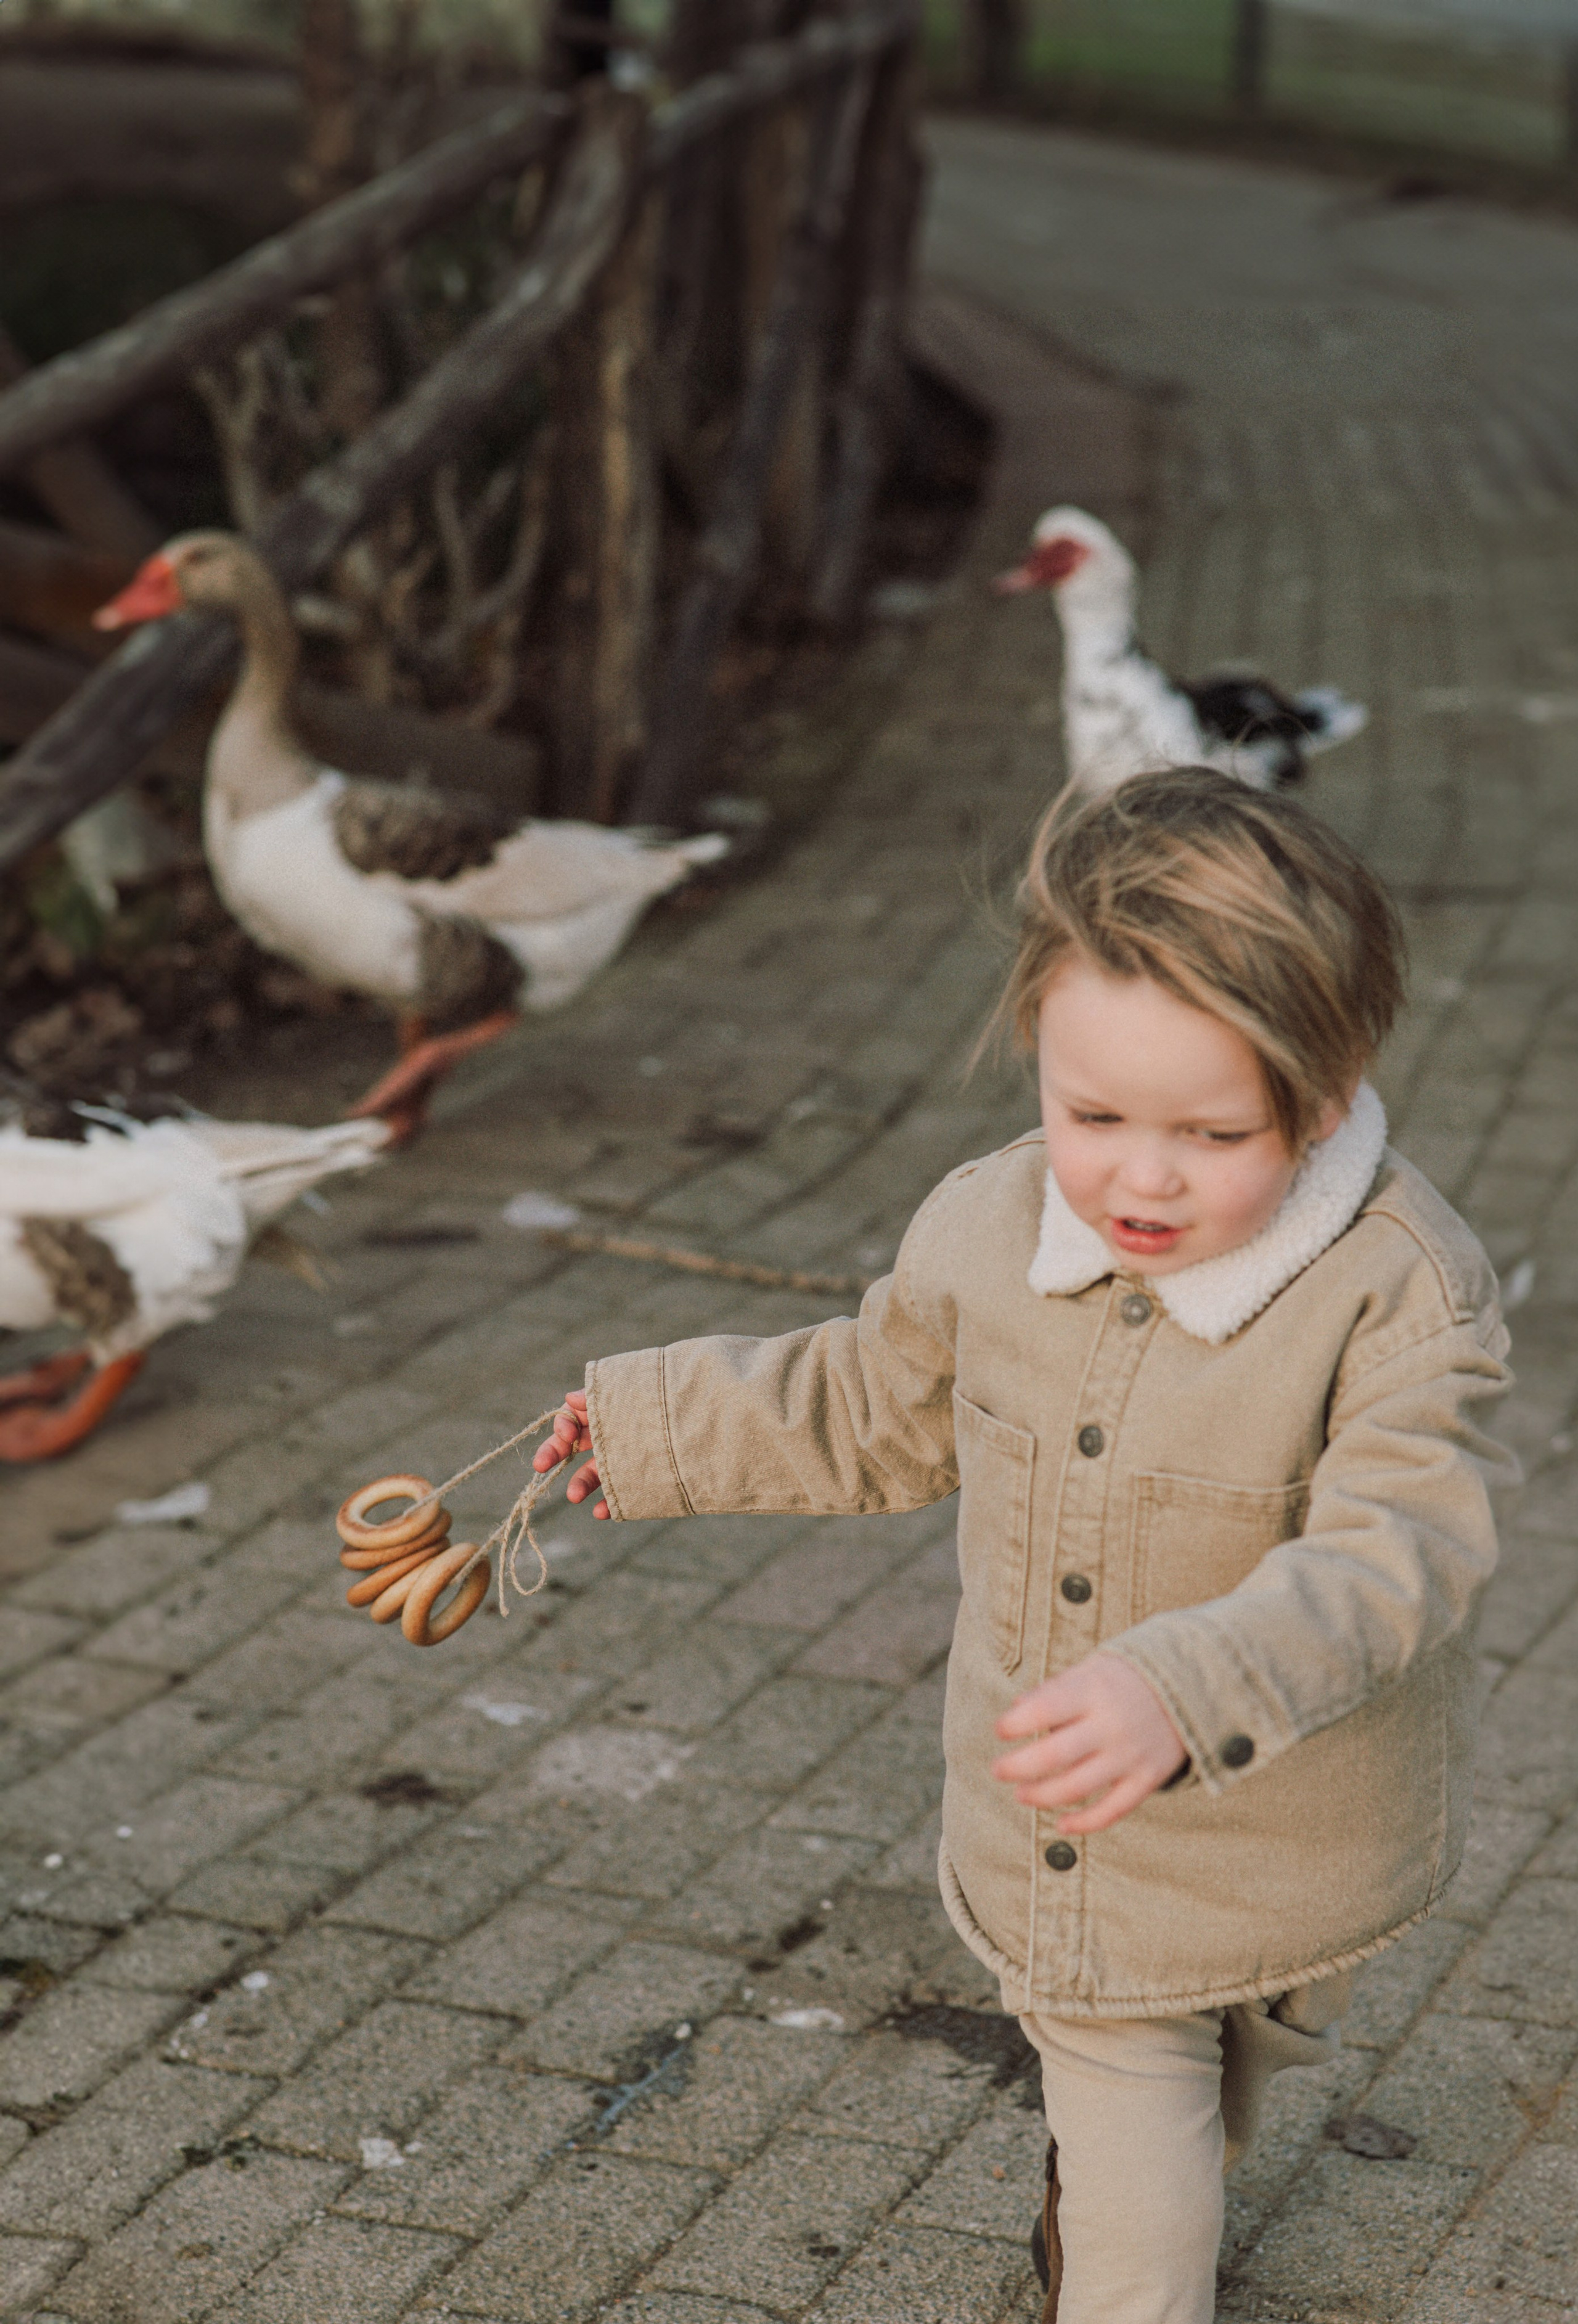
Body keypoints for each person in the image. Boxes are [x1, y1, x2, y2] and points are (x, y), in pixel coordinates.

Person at [532, 767, 1515, 2324]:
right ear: (1036, 1059)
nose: (1139, 1174)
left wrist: (1185, 1690)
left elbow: (1404, 1546)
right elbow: (868, 1401)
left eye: (1210, 1130)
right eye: (1092, 1113)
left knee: (1228, 2044)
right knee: (1133, 2113)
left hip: (1292, 1823)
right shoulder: (987, 1230)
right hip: (1070, 1829)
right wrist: (658, 1427)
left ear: (1324, 1098)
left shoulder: (1395, 1293)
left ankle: (1125, 2166)